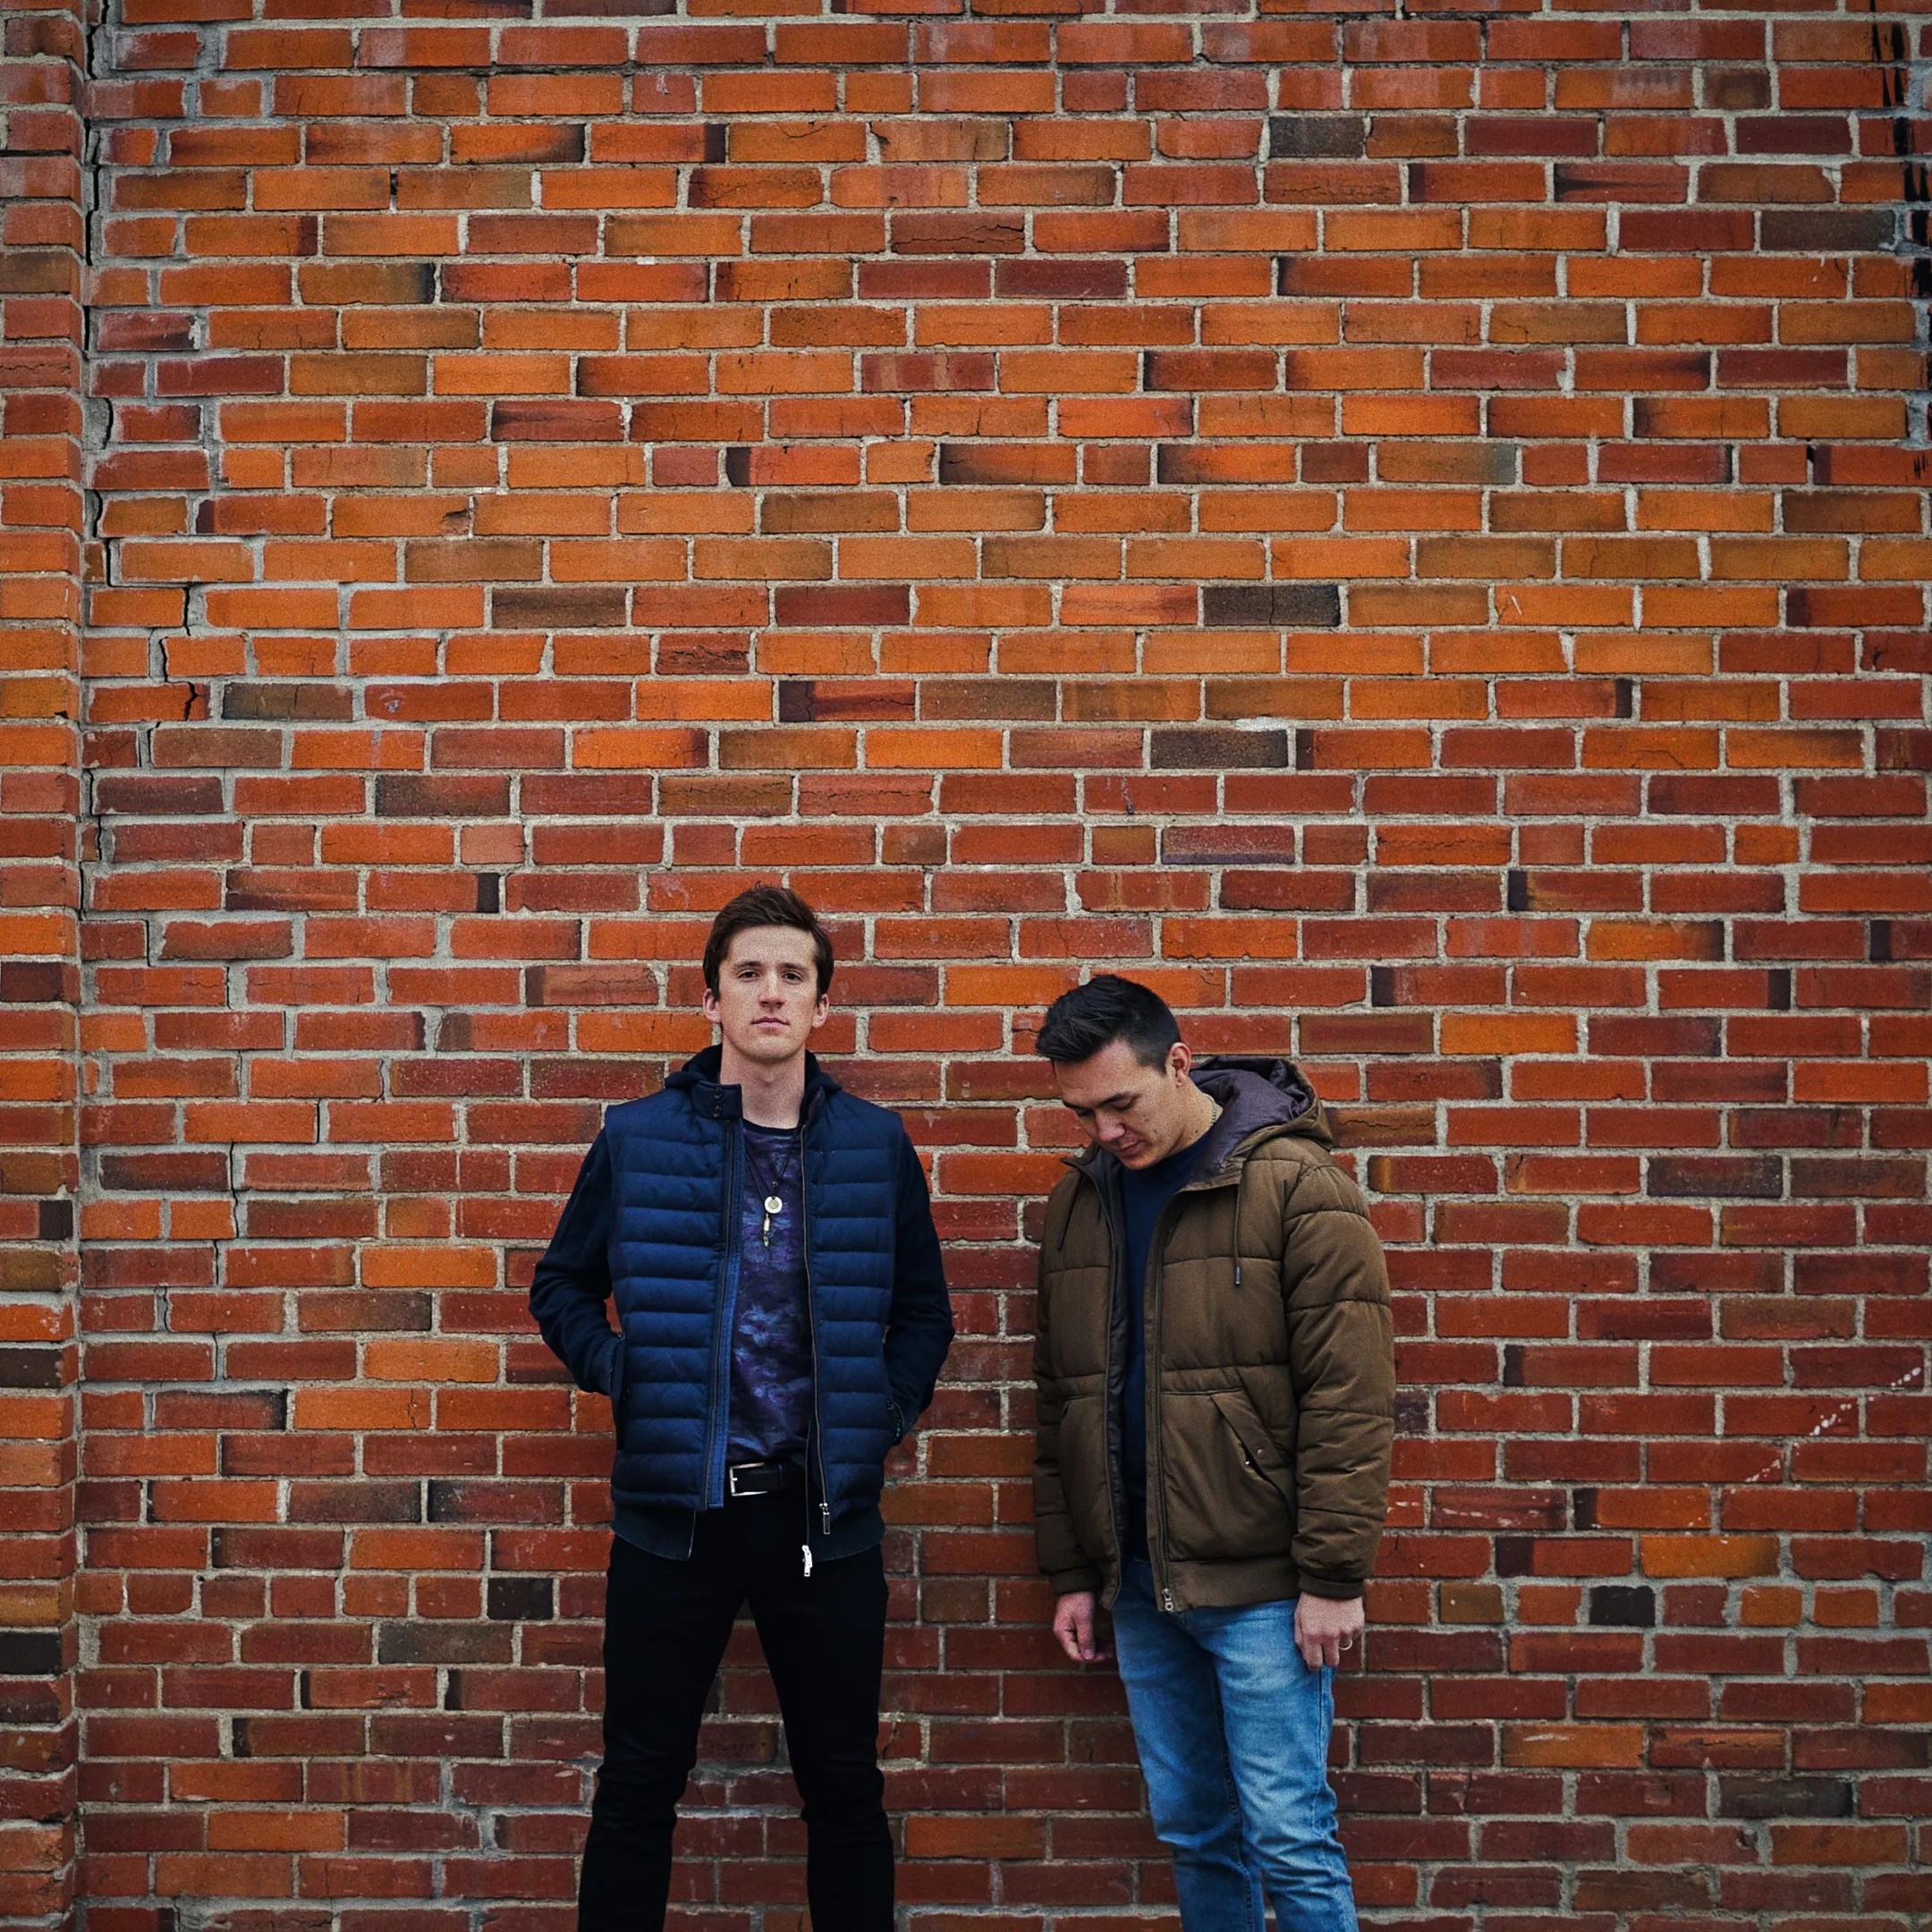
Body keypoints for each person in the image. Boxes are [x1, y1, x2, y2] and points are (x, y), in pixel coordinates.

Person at [530, 884, 954, 1932]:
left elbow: (923, 1313)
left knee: (845, 1789)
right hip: (675, 1519)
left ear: (821, 1006)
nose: (771, 992)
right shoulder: (638, 1139)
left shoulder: (873, 1145)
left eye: (793, 975)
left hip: (823, 1520)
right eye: (749, 973)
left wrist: (876, 1418)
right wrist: (625, 1373)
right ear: (711, 999)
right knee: (637, 1786)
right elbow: (562, 1286)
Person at [1030, 974, 1394, 1932]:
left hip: (1266, 1591)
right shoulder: (1082, 1204)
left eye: (1121, 1103)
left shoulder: (1297, 1187)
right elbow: (1062, 1401)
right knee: (1195, 1831)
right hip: (1139, 1587)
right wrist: (1075, 1572)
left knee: (1290, 1838)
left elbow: (1350, 1399)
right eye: (1082, 1114)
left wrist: (1333, 1576)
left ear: (1179, 1064)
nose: (1106, 1131)